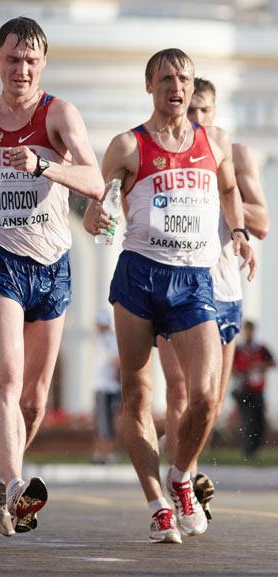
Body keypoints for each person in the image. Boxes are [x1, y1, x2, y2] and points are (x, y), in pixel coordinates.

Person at [0, 17, 104, 536]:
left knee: (34, 399)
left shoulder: (59, 114)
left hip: (52, 266)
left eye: (32, 61)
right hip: (1, 262)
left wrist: (43, 167)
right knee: (6, 377)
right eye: (13, 59)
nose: (22, 70)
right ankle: (13, 485)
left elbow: (96, 181)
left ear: (44, 64)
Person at [84, 48, 255, 544]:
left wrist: (240, 232)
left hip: (192, 281)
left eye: (182, 78)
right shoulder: (127, 146)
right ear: (149, 85)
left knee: (205, 396)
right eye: (165, 79)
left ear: (192, 84)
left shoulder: (214, 141)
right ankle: (157, 504)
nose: (175, 87)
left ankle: (180, 476)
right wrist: (97, 216)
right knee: (138, 394)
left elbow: (228, 190)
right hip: (139, 277)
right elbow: (99, 205)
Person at [156, 77, 270, 520]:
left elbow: (262, 222)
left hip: (224, 288)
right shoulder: (170, 151)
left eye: (205, 110)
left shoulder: (234, 155)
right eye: (192, 110)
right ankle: (186, 480)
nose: (197, 118)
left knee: (212, 403)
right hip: (179, 284)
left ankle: (182, 466)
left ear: (215, 111)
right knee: (181, 389)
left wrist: (223, 193)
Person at [232, 320, 275, 457]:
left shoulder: (261, 348)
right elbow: (229, 367)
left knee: (259, 419)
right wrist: (240, 372)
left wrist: (259, 366)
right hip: (243, 390)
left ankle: (255, 449)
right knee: (248, 419)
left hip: (258, 390)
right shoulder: (238, 349)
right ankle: (248, 451)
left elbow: (273, 363)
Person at [91, 310, 121, 465]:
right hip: (101, 386)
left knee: (106, 422)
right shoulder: (102, 339)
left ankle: (108, 454)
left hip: (107, 387)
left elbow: (116, 360)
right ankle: (100, 453)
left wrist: (118, 379)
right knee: (100, 422)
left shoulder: (109, 339)